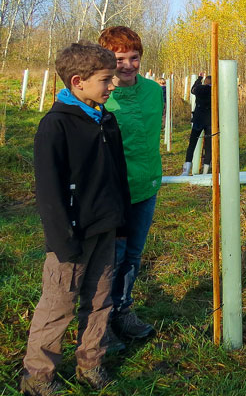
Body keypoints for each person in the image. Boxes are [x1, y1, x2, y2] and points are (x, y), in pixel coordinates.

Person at [20, 41, 130, 396]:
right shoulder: (56, 126)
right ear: (79, 81)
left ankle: (91, 363)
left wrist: (120, 220)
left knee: (101, 300)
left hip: (105, 229)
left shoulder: (106, 120)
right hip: (71, 236)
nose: (112, 85)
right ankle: (38, 376)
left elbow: (117, 175)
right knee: (58, 305)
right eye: (106, 79)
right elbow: (49, 190)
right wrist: (62, 239)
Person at [98, 26, 162, 345]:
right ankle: (101, 321)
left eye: (133, 58)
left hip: (146, 186)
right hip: (113, 192)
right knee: (112, 256)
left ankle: (123, 310)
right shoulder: (101, 98)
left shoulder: (154, 91)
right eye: (118, 58)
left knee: (133, 254)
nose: (126, 65)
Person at [181, 73, 212, 176]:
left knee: (192, 145)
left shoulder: (199, 89)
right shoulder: (216, 91)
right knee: (208, 147)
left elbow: (193, 89)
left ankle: (186, 171)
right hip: (210, 122)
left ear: (205, 82)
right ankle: (205, 172)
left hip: (198, 120)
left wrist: (199, 78)